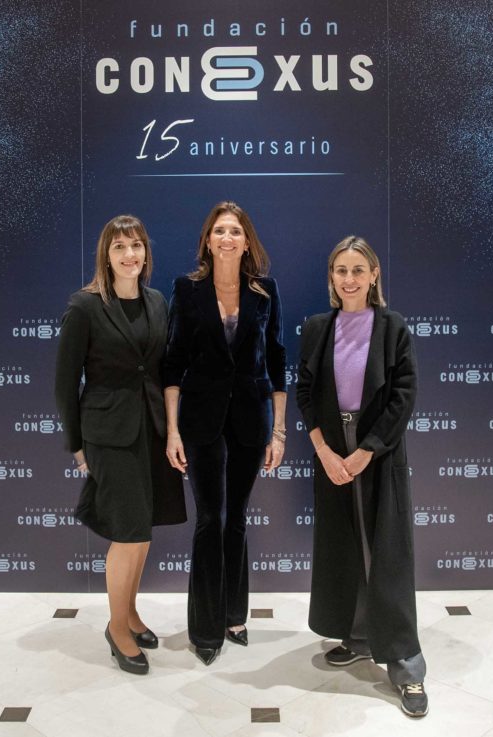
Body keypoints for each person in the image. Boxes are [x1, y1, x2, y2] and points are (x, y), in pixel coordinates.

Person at [295, 235, 428, 718]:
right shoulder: (317, 327)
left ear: (374, 275)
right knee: (344, 546)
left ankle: (406, 663)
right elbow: (305, 392)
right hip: (332, 452)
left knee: (386, 553)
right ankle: (357, 637)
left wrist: (367, 451)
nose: (348, 279)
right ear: (331, 278)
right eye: (340, 271)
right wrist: (325, 451)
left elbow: (404, 395)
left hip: (379, 452)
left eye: (357, 270)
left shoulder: (393, 327)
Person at [55, 214, 186, 676]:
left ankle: (129, 613)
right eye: (119, 247)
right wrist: (76, 445)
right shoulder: (85, 306)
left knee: (142, 531)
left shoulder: (156, 302)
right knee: (127, 533)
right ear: (106, 256)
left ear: (146, 252)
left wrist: (172, 429)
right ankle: (116, 628)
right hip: (108, 434)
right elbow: (65, 382)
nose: (130, 254)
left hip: (152, 430)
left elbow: (162, 371)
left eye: (136, 246)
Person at [163, 201, 287, 666]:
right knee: (209, 520)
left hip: (251, 421)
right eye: (219, 231)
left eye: (235, 230)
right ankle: (205, 627)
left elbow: (277, 360)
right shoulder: (187, 290)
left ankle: (235, 615)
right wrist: (172, 431)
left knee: (236, 519)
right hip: (200, 422)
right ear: (208, 241)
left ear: (246, 240)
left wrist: (279, 432)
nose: (227, 238)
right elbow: (173, 362)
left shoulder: (265, 292)